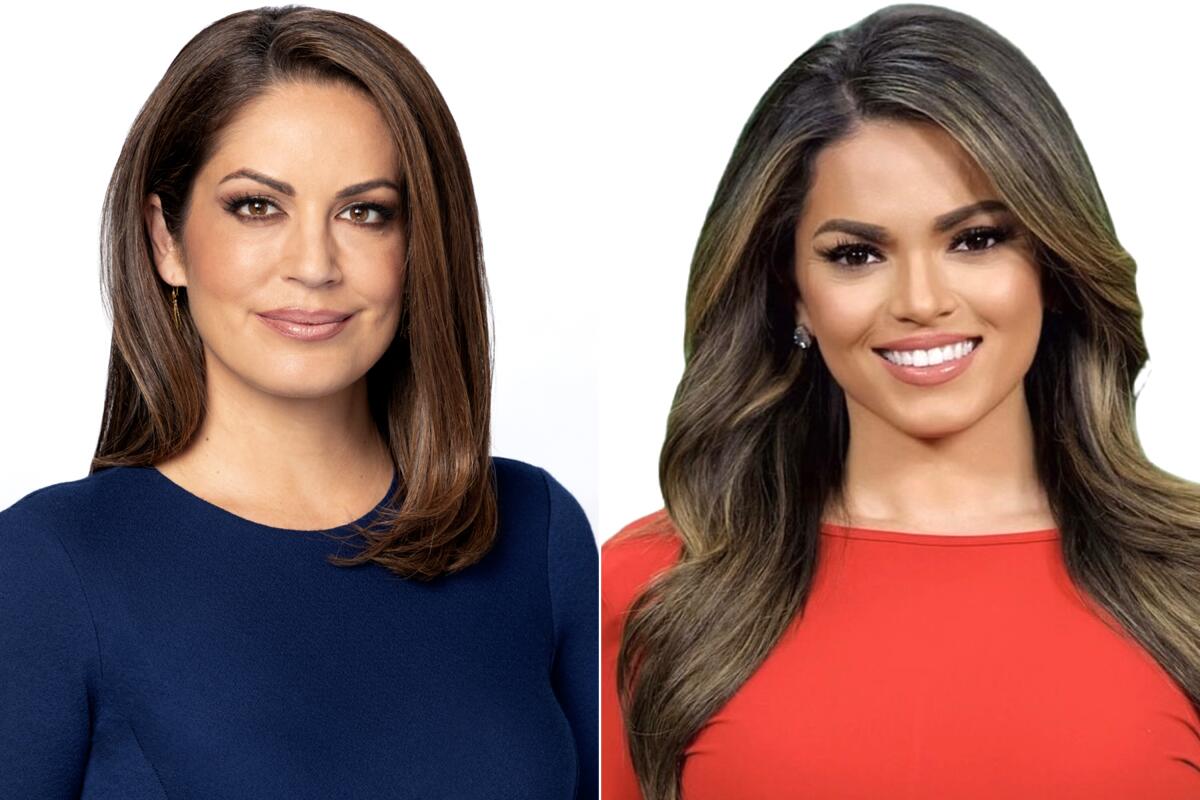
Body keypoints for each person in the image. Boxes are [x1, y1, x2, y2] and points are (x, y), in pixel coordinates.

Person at [601, 4, 1200, 799]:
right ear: (795, 295)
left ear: (1052, 262)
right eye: (857, 254)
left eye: (977, 239)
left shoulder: (1185, 581)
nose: (921, 300)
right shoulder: (652, 589)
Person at [0, 6, 597, 798]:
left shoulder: (536, 532)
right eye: (257, 206)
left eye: (365, 212)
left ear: (420, 248)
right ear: (165, 241)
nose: (314, 263)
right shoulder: (48, 566)